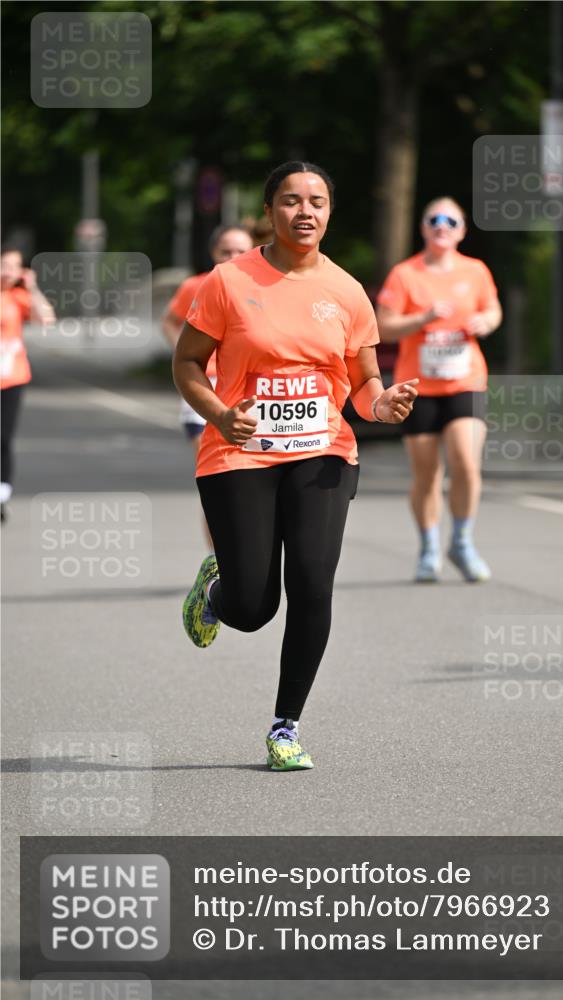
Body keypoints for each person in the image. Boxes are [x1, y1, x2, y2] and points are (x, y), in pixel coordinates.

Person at [173, 160, 417, 771]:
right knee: (255, 609)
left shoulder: (347, 291)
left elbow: (362, 382)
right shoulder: (229, 281)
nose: (304, 211)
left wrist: (379, 404)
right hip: (239, 449)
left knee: (313, 581)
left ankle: (286, 726)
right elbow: (186, 365)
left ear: (330, 213)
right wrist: (222, 414)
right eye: (290, 200)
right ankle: (219, 587)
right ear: (269, 211)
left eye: (317, 201)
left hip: (323, 450)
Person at [376, 198, 502, 583]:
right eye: (434, 219)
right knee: (427, 474)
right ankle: (430, 547)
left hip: (466, 380)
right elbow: (384, 326)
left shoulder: (475, 270)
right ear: (424, 228)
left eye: (451, 220)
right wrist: (425, 317)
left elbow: (494, 309)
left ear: (462, 230)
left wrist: (486, 321)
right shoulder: (405, 274)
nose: (442, 225)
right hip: (418, 387)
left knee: (466, 461)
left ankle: (461, 541)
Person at [161, 225, 254, 450]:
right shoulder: (195, 285)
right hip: (203, 379)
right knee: (206, 450)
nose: (233, 257)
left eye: (240, 251)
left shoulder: (264, 287)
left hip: (245, 381)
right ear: (214, 253)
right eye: (226, 251)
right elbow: (169, 321)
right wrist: (183, 355)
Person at [0, 247, 55, 521]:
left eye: (15, 266)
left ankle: (2, 493)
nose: (9, 271)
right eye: (5, 265)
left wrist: (32, 287)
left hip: (12, 378)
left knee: (4, 437)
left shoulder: (18, 298)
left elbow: (46, 317)